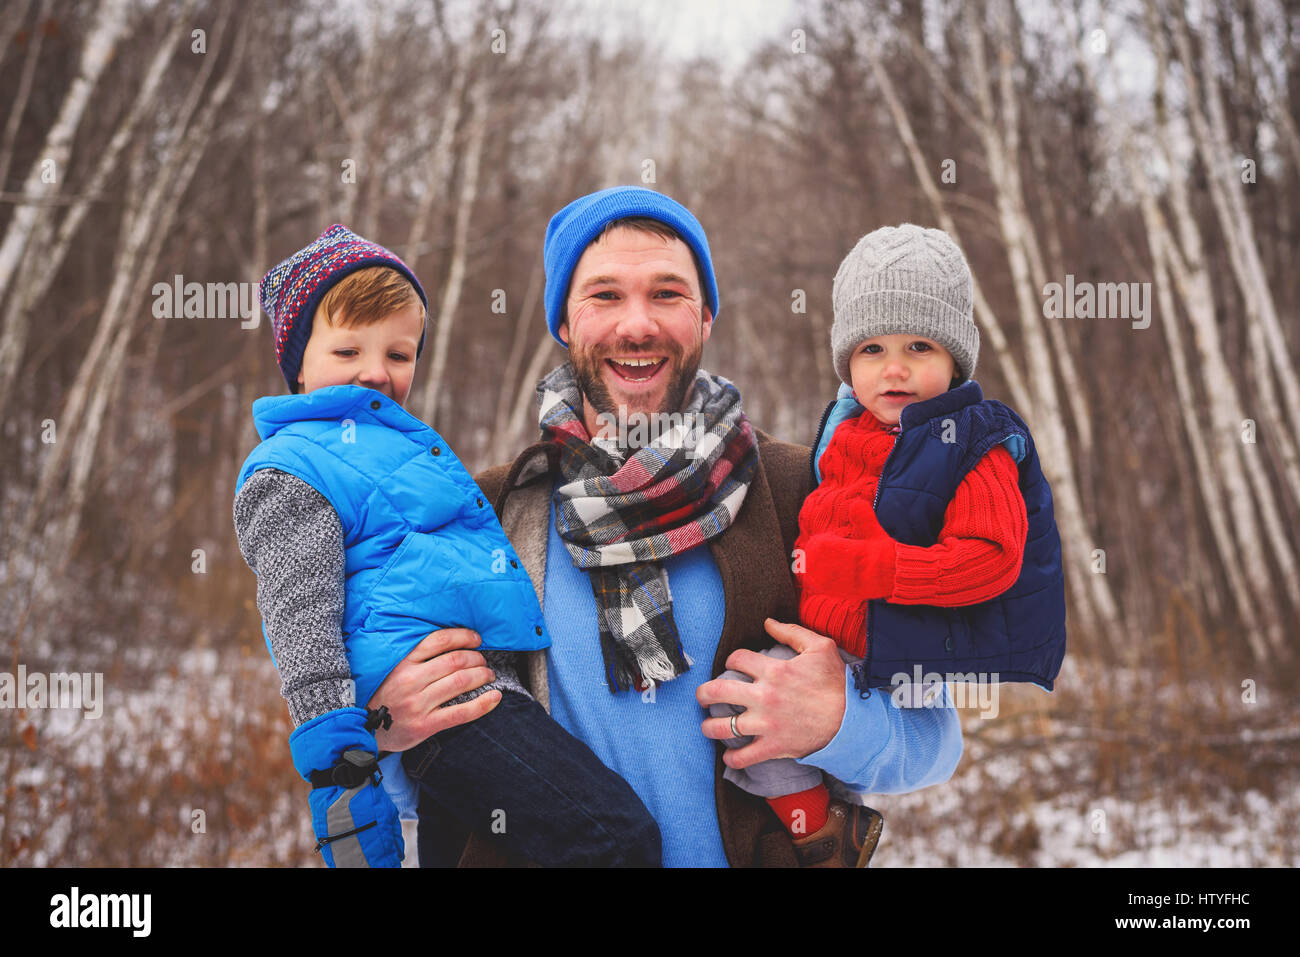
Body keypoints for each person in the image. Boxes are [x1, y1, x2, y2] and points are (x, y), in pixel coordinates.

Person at [369, 188, 966, 867]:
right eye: (603, 296)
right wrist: (392, 727)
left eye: (667, 293)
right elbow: (437, 789)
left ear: (706, 314)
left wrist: (838, 722)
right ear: (564, 320)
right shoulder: (488, 513)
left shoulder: (811, 492)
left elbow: (934, 737)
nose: (637, 325)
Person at [232, 224, 660, 867]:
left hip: (475, 704)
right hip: (449, 713)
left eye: (398, 355)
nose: (376, 373)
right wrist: (342, 769)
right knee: (615, 841)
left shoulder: (403, 447)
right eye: (348, 353)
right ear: (296, 364)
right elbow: (301, 625)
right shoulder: (292, 469)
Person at [706, 224, 1068, 863]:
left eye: (919, 345)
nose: (894, 369)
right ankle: (824, 831)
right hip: (837, 648)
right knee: (745, 711)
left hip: (895, 657)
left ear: (956, 357)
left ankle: (821, 830)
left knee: (756, 709)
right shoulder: (843, 435)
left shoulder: (974, 445)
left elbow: (991, 559)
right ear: (847, 361)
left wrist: (864, 569)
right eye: (871, 348)